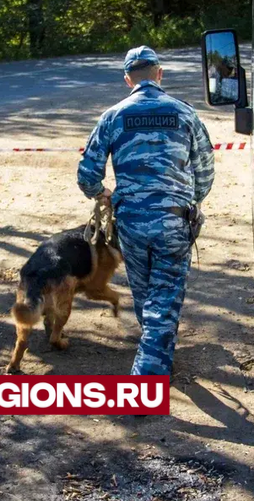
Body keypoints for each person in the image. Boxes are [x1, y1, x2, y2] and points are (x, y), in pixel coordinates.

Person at [77, 46, 215, 376]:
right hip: (173, 221)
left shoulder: (112, 116)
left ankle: (155, 352)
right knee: (164, 300)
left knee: (147, 297)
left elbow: (86, 176)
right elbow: (206, 170)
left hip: (132, 224)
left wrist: (104, 194)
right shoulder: (184, 113)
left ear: (128, 80)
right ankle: (148, 378)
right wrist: (190, 200)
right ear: (160, 74)